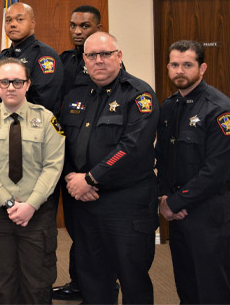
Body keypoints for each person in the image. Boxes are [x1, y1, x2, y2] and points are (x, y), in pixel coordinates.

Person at [59, 32, 159, 304]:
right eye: (92, 55)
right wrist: (72, 177)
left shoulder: (138, 94)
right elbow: (61, 141)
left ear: (119, 56)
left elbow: (132, 146)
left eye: (106, 54)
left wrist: (91, 178)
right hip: (84, 203)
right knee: (92, 277)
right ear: (84, 60)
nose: (98, 61)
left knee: (133, 277)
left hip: (125, 203)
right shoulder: (75, 95)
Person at [0, 58, 64, 303]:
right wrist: (9, 204)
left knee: (38, 282)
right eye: (5, 81)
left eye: (17, 81)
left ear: (28, 84)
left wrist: (30, 205)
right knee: (1, 281)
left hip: (37, 213)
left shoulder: (46, 120)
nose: (11, 87)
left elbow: (53, 167)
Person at [156, 40, 230, 304]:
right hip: (179, 214)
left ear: (202, 68)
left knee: (214, 293)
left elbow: (217, 170)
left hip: (211, 213)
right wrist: (163, 198)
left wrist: (175, 202)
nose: (180, 70)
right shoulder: (169, 106)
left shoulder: (221, 109)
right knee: (188, 289)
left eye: (188, 65)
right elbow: (163, 158)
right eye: (175, 65)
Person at [51, 5, 102, 301]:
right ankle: (79, 281)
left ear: (98, 27)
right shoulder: (64, 60)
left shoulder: (105, 61)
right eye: (73, 26)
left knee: (95, 232)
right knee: (76, 228)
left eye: (85, 26)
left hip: (93, 164)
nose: (78, 31)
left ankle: (102, 281)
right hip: (68, 157)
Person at [0, 2, 63, 115]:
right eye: (8, 20)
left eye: (19, 19)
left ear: (32, 23)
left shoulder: (44, 56)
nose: (13, 24)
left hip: (33, 126)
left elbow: (43, 102)